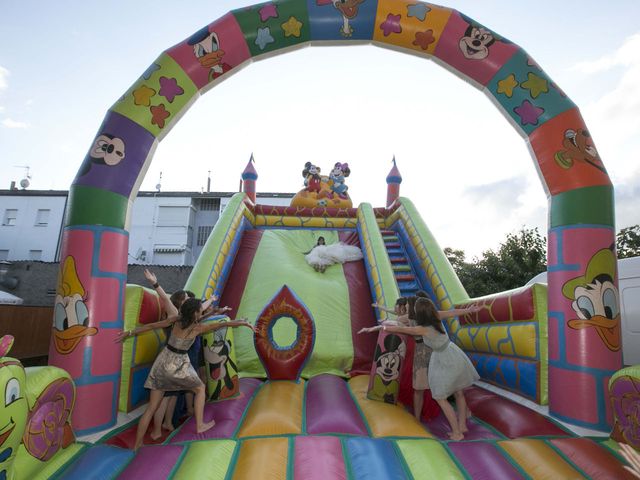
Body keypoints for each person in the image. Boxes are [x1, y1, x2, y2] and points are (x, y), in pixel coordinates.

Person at [116, 297, 254, 450]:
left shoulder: (176, 320)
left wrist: (129, 332)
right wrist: (242, 322)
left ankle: (137, 444)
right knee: (200, 389)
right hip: (178, 363)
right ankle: (200, 425)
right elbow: (224, 323)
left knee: (152, 408)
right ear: (195, 313)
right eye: (199, 311)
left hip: (163, 360)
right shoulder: (196, 328)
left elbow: (153, 325)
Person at [360, 297, 480, 440]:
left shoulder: (422, 329)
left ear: (419, 313)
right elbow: (453, 312)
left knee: (440, 397)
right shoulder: (436, 316)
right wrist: (470, 310)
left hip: (444, 358)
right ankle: (462, 426)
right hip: (453, 353)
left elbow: (399, 328)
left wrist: (377, 328)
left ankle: (457, 433)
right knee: (458, 391)